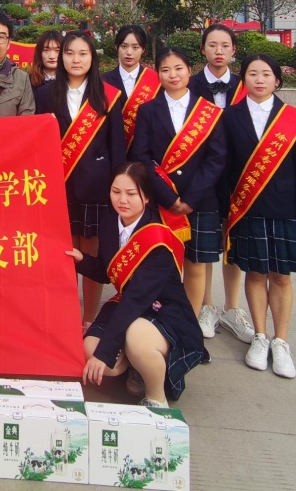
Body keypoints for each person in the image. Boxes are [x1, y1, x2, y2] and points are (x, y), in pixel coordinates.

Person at [67, 162, 207, 407]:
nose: (122, 200)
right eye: (116, 191)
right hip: (128, 305)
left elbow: (136, 300)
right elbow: (108, 272)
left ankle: (156, 397)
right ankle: (136, 367)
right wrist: (82, 261)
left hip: (163, 309)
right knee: (90, 349)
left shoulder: (157, 238)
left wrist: (105, 354)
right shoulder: (110, 223)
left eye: (131, 194)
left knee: (135, 340)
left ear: (147, 196)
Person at [221, 53, 296, 379]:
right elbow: (225, 167)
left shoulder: (293, 120)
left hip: (286, 210)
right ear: (243, 79)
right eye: (252, 73)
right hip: (247, 208)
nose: (259, 80)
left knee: (282, 276)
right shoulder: (230, 117)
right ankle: (260, 336)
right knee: (255, 273)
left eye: (266, 74)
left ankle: (281, 341)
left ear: (277, 80)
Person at [129, 46, 228, 338]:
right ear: (157, 74)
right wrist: (169, 198)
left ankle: (189, 328)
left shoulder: (208, 112)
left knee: (195, 266)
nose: (173, 75)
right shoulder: (148, 110)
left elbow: (216, 159)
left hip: (200, 201)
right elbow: (142, 157)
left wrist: (190, 199)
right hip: (160, 202)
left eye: (178, 68)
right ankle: (158, 324)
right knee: (159, 265)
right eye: (165, 69)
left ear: (189, 70)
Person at [35, 30, 125, 326]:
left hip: (97, 189)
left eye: (83, 53)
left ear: (92, 58)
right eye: (70, 53)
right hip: (58, 187)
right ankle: (66, 318)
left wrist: (117, 189)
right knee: (62, 255)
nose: (76, 59)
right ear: (61, 57)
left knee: (91, 257)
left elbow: (117, 146)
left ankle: (89, 320)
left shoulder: (108, 95)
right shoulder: (45, 95)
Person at [187, 23, 254, 344]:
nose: (218, 51)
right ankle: (207, 306)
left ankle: (232, 307)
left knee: (232, 242)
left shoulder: (246, 85)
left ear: (233, 51)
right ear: (202, 49)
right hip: (201, 176)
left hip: (239, 175)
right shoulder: (189, 84)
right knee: (204, 245)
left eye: (225, 46)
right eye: (212, 45)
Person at [103, 25, 160, 150]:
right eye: (124, 46)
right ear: (116, 47)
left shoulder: (156, 80)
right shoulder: (103, 81)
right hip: (113, 149)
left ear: (143, 49)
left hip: (147, 151)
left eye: (135, 47)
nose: (129, 52)